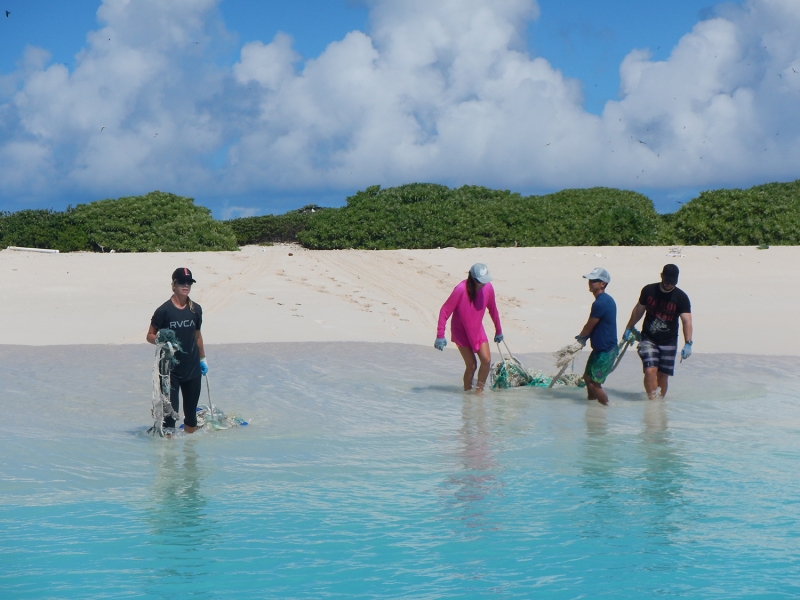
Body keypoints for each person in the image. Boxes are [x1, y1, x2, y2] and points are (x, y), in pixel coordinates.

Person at [147, 268, 208, 433]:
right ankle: (169, 455)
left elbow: (198, 336)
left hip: (192, 369)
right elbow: (150, 336)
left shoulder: (196, 309)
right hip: (170, 372)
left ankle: (191, 455)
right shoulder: (164, 311)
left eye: (189, 282)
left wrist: (203, 360)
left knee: (191, 416)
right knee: (169, 419)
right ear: (173, 285)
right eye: (182, 282)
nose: (186, 285)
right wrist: (160, 339)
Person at [622, 264, 692, 400]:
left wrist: (688, 342)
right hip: (649, 338)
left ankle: (660, 402)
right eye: (667, 282)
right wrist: (629, 327)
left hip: (669, 340)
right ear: (661, 276)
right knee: (650, 370)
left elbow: (687, 321)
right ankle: (652, 402)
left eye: (673, 283)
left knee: (662, 375)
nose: (669, 285)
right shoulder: (649, 290)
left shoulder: (681, 297)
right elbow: (638, 310)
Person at [435, 263, 503, 392]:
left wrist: (498, 330)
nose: (483, 284)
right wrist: (440, 335)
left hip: (477, 330)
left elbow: (493, 309)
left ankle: (478, 392)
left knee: (486, 360)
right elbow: (445, 310)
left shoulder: (488, 288)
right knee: (471, 366)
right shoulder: (460, 289)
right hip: (461, 332)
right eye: (480, 281)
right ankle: (467, 395)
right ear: (472, 279)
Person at [575, 267, 618, 406]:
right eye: (590, 280)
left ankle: (606, 407)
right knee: (587, 378)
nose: (590, 283)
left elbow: (590, 325)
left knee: (595, 384)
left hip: (606, 351)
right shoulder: (604, 300)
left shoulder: (601, 302)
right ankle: (592, 408)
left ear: (603, 284)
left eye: (594, 281)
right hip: (599, 349)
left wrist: (581, 338)